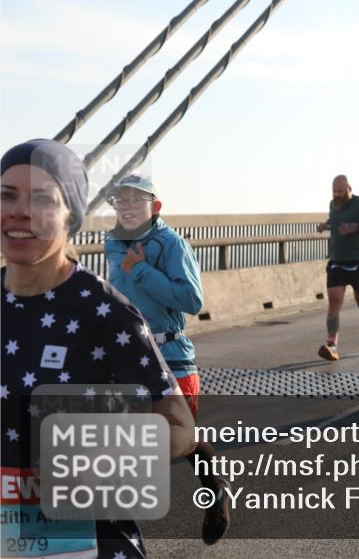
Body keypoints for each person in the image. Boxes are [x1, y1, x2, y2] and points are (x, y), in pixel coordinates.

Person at [1, 139, 195, 558]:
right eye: (7, 195)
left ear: (71, 217)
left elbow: (181, 430)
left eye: (43, 199)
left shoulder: (104, 312)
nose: (20, 210)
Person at [104, 174, 230, 544]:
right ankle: (117, 542)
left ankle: (216, 489)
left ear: (156, 207)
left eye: (135, 200)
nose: (126, 207)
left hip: (170, 355)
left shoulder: (173, 245)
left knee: (175, 440)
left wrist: (141, 270)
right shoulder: (113, 244)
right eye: (120, 201)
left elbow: (191, 301)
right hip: (124, 357)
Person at [316, 175, 359, 362]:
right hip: (338, 262)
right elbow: (336, 221)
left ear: (349, 188)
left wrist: (358, 227)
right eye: (334, 191)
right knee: (334, 304)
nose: (336, 195)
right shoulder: (333, 205)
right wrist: (326, 225)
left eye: (340, 191)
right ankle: (332, 345)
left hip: (358, 263)